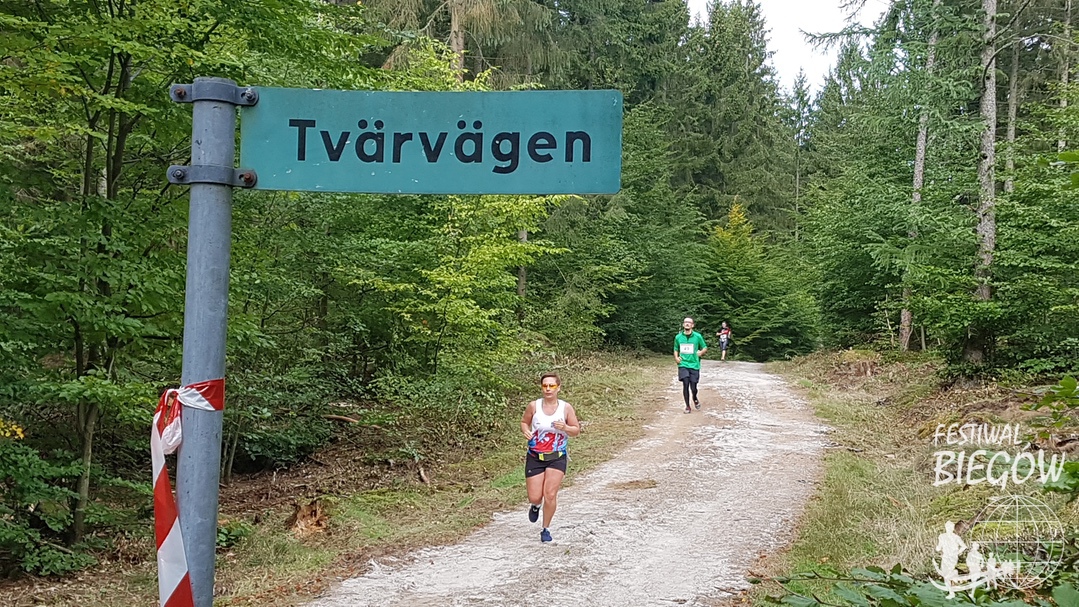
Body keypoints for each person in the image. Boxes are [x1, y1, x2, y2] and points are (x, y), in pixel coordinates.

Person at [521, 373, 580, 543]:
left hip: (557, 456)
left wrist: (566, 427)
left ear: (558, 388)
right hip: (535, 456)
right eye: (545, 385)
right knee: (535, 496)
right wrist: (526, 431)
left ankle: (545, 529)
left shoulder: (565, 408)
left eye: (551, 386)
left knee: (550, 494)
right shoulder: (534, 406)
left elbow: (576, 430)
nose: (548, 389)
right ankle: (535, 505)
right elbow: (524, 422)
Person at [673, 317, 708, 413]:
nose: (687, 324)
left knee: (693, 387)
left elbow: (704, 347)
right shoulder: (678, 337)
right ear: (683, 324)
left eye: (689, 322)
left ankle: (695, 397)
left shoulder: (697, 336)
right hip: (683, 364)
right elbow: (676, 349)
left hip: (694, 364)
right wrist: (676, 358)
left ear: (693, 325)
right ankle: (687, 406)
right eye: (685, 322)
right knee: (685, 384)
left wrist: (701, 352)